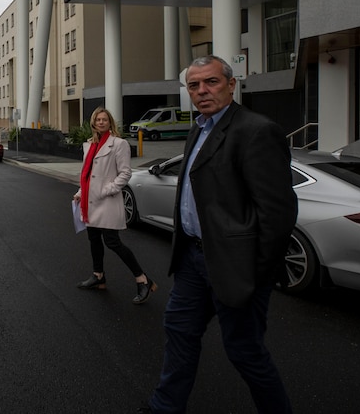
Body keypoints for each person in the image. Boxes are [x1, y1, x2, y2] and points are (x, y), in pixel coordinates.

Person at [142, 55, 297, 413]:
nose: (201, 91)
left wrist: (256, 273)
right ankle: (165, 407)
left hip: (235, 266)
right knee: (179, 332)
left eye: (210, 82)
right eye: (193, 85)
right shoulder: (200, 127)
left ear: (231, 84)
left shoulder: (257, 130)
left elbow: (278, 214)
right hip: (192, 260)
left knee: (245, 352)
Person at [74, 107, 156, 304]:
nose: (101, 122)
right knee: (94, 239)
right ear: (93, 123)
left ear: (110, 122)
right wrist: (80, 192)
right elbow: (86, 173)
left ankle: (143, 279)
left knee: (112, 242)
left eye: (105, 119)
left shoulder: (119, 144)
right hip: (90, 201)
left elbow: (125, 173)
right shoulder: (89, 145)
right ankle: (98, 276)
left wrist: (107, 190)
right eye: (98, 119)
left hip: (107, 200)